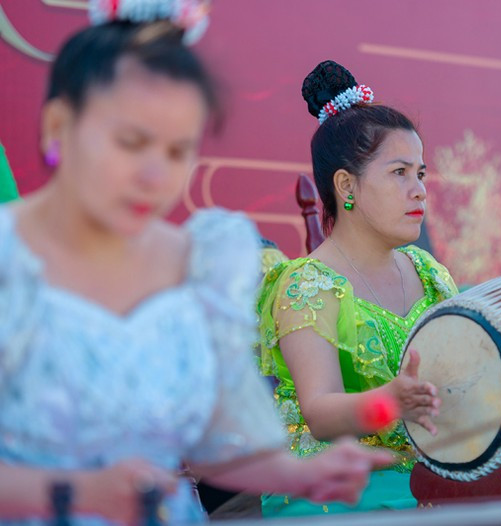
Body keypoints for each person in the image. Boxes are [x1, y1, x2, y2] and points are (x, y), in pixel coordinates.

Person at [0, 3, 391, 525]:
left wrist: (299, 475)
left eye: (178, 149)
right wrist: (80, 491)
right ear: (58, 126)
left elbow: (218, 443)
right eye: (131, 141)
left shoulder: (194, 263)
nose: (154, 174)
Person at [257, 60, 458, 516]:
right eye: (399, 173)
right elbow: (321, 413)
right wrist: (391, 400)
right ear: (346, 186)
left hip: (433, 484)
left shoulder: (430, 273)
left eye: (421, 174)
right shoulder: (306, 284)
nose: (419, 191)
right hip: (339, 494)